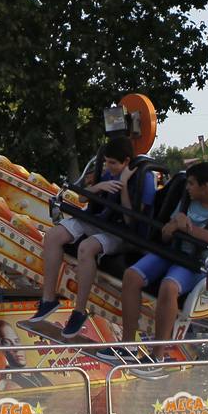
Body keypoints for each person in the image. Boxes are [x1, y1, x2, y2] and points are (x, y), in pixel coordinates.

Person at [28, 136, 155, 339]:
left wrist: (122, 186)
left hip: (122, 232)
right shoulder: (108, 172)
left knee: (86, 248)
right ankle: (48, 299)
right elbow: (83, 198)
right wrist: (98, 187)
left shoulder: (145, 179)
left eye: (113, 163)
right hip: (99, 220)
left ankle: (79, 311)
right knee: (53, 235)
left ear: (126, 162)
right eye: (106, 162)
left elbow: (130, 219)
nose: (108, 166)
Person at [120, 161, 208, 345]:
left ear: (205, 186)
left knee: (169, 286)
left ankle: (158, 354)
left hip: (199, 262)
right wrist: (176, 225)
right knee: (131, 275)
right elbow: (167, 232)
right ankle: (127, 344)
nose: (187, 187)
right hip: (175, 251)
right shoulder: (187, 201)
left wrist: (186, 226)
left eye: (191, 183)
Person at [0, 321, 52, 391]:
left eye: (17, 341)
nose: (16, 349)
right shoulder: (9, 383)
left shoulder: (37, 373)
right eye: (7, 342)